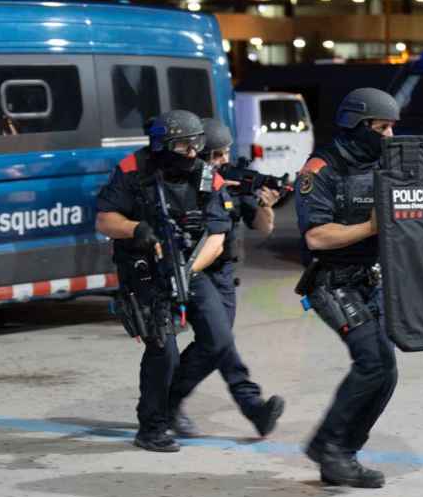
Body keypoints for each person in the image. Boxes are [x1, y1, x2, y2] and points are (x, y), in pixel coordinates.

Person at [96, 109, 230, 452]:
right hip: (143, 269)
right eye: (183, 147)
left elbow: (216, 239)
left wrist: (186, 272)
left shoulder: (205, 177)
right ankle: (152, 426)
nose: (191, 154)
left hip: (189, 267)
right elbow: (105, 220)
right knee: (163, 350)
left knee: (218, 339)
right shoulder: (132, 170)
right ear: (162, 145)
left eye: (196, 146)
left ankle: (171, 404)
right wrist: (136, 229)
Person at [294, 87, 400, 488]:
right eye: (382, 127)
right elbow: (316, 237)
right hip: (332, 283)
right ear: (358, 126)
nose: (389, 137)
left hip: (369, 280)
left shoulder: (384, 165)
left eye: (392, 128)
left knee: (385, 373)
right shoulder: (320, 170)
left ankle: (343, 454)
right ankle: (329, 448)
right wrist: (371, 227)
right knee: (372, 362)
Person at [166, 117, 284, 438]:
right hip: (197, 271)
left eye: (227, 153)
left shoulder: (232, 181)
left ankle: (166, 402)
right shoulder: (187, 183)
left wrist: (265, 204)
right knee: (218, 339)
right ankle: (252, 405)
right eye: (217, 155)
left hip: (225, 275)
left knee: (212, 344)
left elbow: (263, 227)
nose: (224, 161)